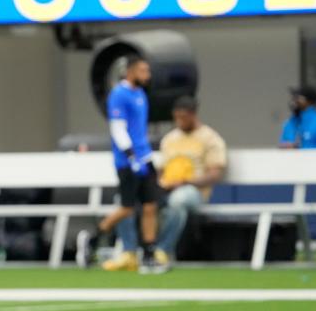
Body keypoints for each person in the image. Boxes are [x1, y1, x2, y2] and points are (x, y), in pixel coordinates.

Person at [106, 97, 227, 272]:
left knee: (178, 200)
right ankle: (129, 253)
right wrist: (157, 184)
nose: (179, 121)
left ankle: (162, 251)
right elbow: (161, 170)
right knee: (126, 199)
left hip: (194, 191)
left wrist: (185, 181)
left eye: (183, 117)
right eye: (176, 117)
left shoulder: (210, 138)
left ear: (193, 115)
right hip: (167, 187)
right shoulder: (170, 139)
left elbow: (215, 173)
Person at [77, 56, 164, 274]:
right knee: (127, 207)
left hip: (144, 158)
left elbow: (139, 130)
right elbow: (118, 129)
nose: (147, 75)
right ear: (131, 71)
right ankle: (94, 238)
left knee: (150, 206)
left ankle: (149, 253)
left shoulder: (141, 94)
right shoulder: (118, 95)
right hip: (127, 161)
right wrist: (131, 155)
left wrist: (147, 157)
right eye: (143, 71)